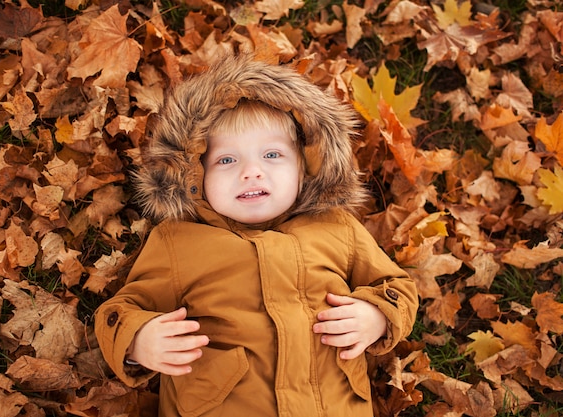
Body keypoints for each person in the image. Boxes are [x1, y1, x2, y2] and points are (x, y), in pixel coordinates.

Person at [94, 54, 418, 417]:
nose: (252, 172)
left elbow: (397, 285)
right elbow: (121, 309)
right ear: (196, 177)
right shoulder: (179, 242)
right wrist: (139, 340)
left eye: (272, 154)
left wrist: (377, 315)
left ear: (304, 168)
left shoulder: (336, 228)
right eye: (227, 160)